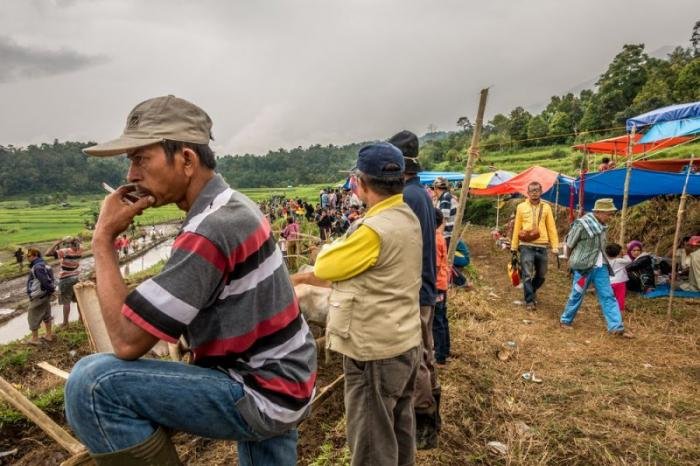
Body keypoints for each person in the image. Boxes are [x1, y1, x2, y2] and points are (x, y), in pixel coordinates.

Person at [64, 95, 316, 465]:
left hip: (262, 389)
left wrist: (102, 239)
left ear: (186, 160)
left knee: (92, 383)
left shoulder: (210, 230)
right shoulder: (233, 204)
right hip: (286, 373)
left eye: (140, 159)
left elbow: (126, 341)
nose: (131, 175)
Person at [292, 142, 422, 466]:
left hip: (374, 353)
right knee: (399, 431)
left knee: (371, 447)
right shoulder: (406, 217)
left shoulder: (371, 231)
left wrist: (332, 246)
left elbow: (325, 265)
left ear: (359, 183)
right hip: (404, 341)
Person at [389, 130, 439, 449]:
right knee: (427, 353)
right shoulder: (420, 193)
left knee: (417, 357)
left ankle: (423, 421)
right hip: (425, 285)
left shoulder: (407, 197)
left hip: (414, 287)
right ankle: (433, 415)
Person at [560, 199, 633, 337]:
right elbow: (569, 244)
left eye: (610, 214)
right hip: (583, 268)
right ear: (598, 212)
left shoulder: (603, 226)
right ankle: (565, 320)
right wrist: (569, 261)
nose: (609, 217)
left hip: (601, 267)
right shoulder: (582, 224)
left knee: (608, 295)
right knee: (577, 294)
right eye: (608, 214)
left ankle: (616, 327)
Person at [511, 181, 559, 311]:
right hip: (526, 245)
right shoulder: (521, 207)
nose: (534, 193)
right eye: (532, 191)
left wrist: (555, 245)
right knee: (527, 274)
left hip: (542, 245)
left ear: (541, 191)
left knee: (542, 275)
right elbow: (517, 227)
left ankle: (531, 290)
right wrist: (514, 246)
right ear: (527, 193)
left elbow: (551, 227)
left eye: (536, 190)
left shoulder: (546, 207)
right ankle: (529, 301)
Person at [46, 236, 83, 328]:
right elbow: (80, 244)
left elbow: (47, 253)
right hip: (76, 277)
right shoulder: (80, 250)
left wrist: (57, 242)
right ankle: (81, 319)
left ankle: (65, 323)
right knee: (78, 300)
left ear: (70, 244)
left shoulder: (66, 251)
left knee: (66, 301)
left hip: (65, 279)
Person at [25, 248, 55, 345]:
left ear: (35, 255)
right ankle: (49, 335)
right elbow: (51, 279)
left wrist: (51, 290)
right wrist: (51, 291)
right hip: (45, 294)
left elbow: (45, 281)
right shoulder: (44, 264)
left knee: (32, 315)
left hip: (39, 295)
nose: (27, 258)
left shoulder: (37, 267)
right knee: (46, 314)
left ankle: (35, 338)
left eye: (28, 256)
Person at [433, 208, 450, 365]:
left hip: (437, 284)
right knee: (442, 318)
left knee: (436, 320)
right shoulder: (440, 237)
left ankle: (440, 355)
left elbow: (436, 265)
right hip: (442, 283)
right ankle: (445, 349)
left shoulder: (434, 239)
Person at [433, 177, 457, 249]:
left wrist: (438, 237)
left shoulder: (445, 198)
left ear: (435, 188)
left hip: (446, 235)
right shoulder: (444, 197)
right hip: (448, 235)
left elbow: (443, 220)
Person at [605, 243, 629, 313]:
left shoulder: (606, 261)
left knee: (610, 297)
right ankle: (619, 310)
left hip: (609, 282)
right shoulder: (619, 260)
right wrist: (625, 255)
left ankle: (609, 309)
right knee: (620, 297)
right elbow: (629, 261)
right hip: (619, 282)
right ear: (618, 253)